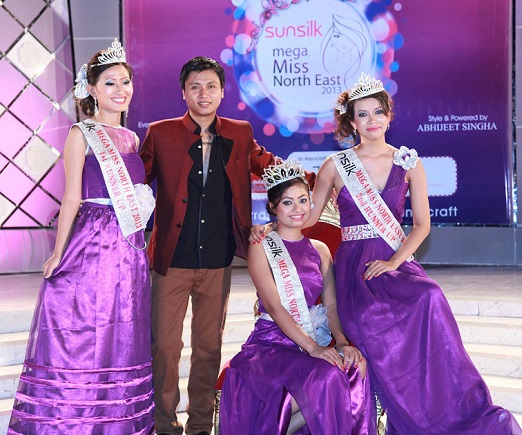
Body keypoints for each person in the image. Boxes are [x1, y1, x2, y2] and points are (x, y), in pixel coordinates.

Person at [251, 73, 522, 434]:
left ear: (389, 115)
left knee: (430, 297)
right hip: (356, 270)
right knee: (368, 318)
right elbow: (307, 216)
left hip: (394, 262)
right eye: (362, 114)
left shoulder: (408, 162)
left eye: (378, 112)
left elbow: (422, 225)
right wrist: (268, 227)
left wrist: (394, 262)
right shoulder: (335, 165)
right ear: (351, 122)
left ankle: (444, 409)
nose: (372, 120)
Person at [140, 56, 314, 435]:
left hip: (218, 259)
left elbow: (272, 167)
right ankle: (164, 426)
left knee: (207, 348)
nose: (203, 94)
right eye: (195, 87)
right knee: (165, 347)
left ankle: (200, 426)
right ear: (183, 92)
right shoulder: (160, 133)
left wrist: (324, 179)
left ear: (222, 92)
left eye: (211, 86)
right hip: (172, 259)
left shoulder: (239, 132)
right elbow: (134, 182)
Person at [8, 39, 155, 434]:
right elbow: (71, 196)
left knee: (122, 329)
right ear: (91, 89)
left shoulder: (132, 138)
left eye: (125, 81)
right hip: (93, 241)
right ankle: (75, 417)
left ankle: (113, 419)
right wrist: (59, 251)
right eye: (110, 83)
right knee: (88, 326)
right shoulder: (81, 133)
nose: (120, 90)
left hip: (128, 247)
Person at [220, 159, 373, 434]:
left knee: (356, 365)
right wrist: (314, 349)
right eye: (287, 202)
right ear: (272, 207)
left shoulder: (321, 249)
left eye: (303, 200)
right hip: (272, 343)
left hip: (313, 336)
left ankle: (284, 427)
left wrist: (340, 341)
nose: (297, 209)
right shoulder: (261, 245)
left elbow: (331, 305)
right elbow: (275, 307)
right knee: (327, 378)